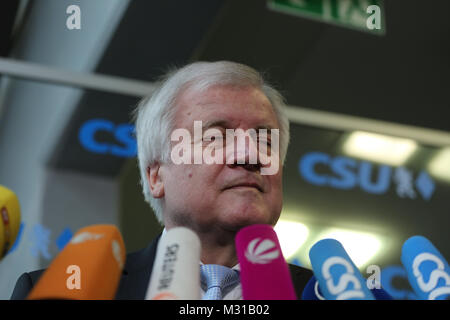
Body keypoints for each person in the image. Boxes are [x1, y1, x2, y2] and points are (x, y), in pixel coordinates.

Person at [10, 61, 312, 300]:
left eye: (264, 140)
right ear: (156, 176)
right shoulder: (61, 292)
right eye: (215, 137)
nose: (251, 155)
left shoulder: (326, 295)